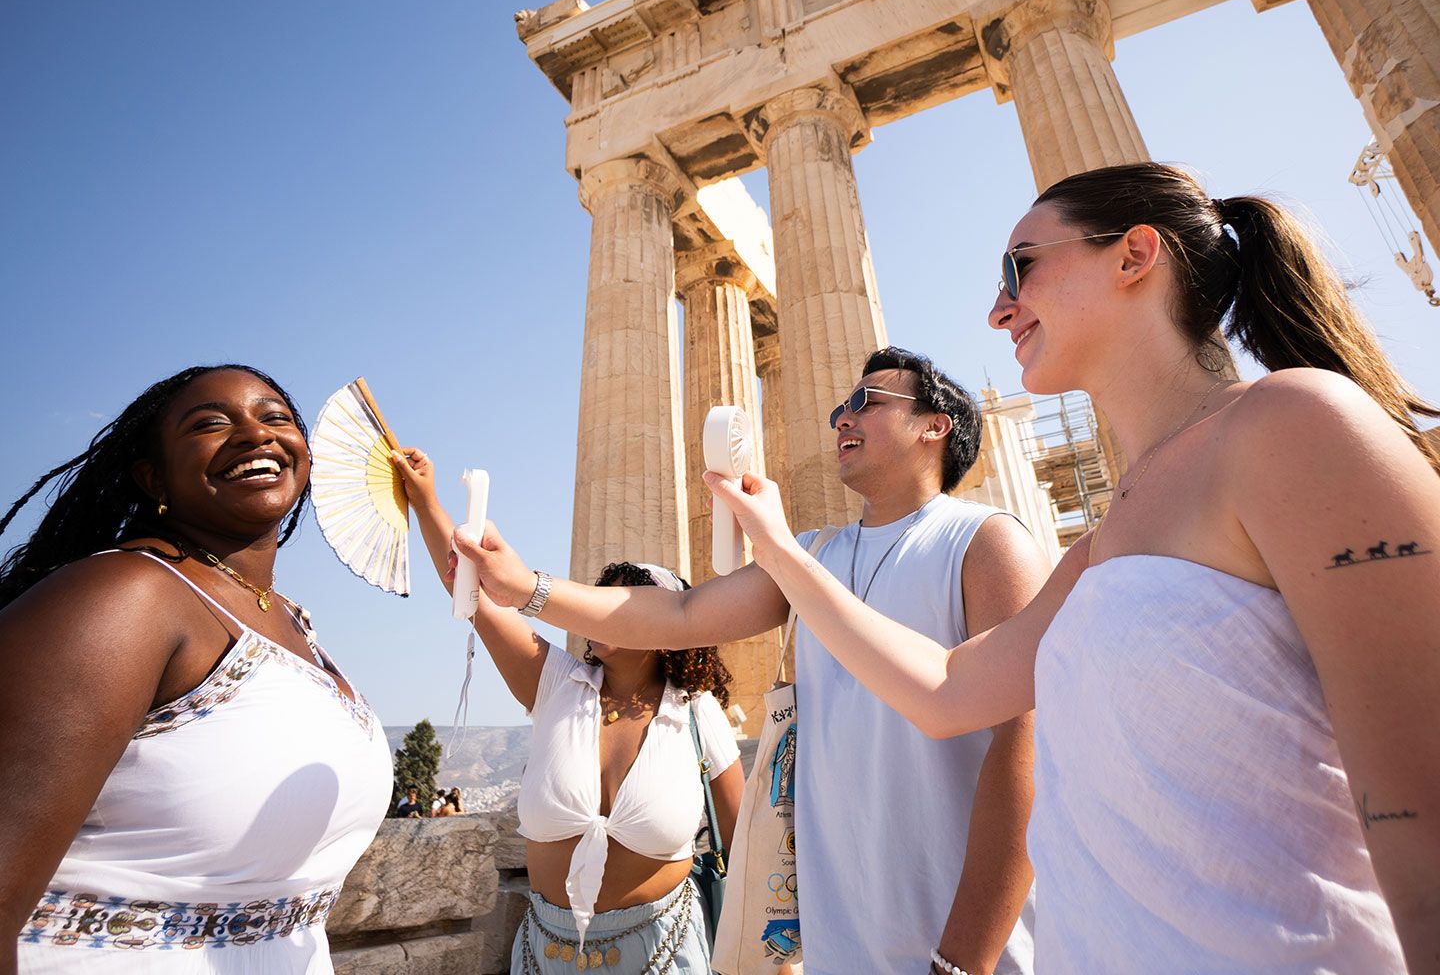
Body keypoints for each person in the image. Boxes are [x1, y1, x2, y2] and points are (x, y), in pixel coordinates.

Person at [699, 163, 1440, 972]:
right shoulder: (1104, 540)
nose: (997, 308)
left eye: (1020, 266)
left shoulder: (1295, 424)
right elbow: (945, 692)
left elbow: (1422, 806)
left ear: (1134, 256)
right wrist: (775, 548)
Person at [456, 347, 1049, 975]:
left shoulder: (987, 543)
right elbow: (679, 614)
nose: (843, 418)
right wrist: (527, 588)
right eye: (839, 408)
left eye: (867, 402)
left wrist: (963, 960)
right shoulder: (813, 553)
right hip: (840, 942)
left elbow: (1027, 753)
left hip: (965, 942)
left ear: (935, 425)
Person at [0, 365, 392, 974]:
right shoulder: (125, 595)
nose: (255, 434)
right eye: (210, 424)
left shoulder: (290, 619)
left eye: (276, 417)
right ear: (152, 477)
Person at [392, 452, 743, 974]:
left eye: (619, 603)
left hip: (667, 955)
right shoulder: (556, 685)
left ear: (663, 629)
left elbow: (745, 848)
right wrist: (426, 502)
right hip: (544, 955)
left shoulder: (698, 714)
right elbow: (469, 586)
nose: (595, 611)